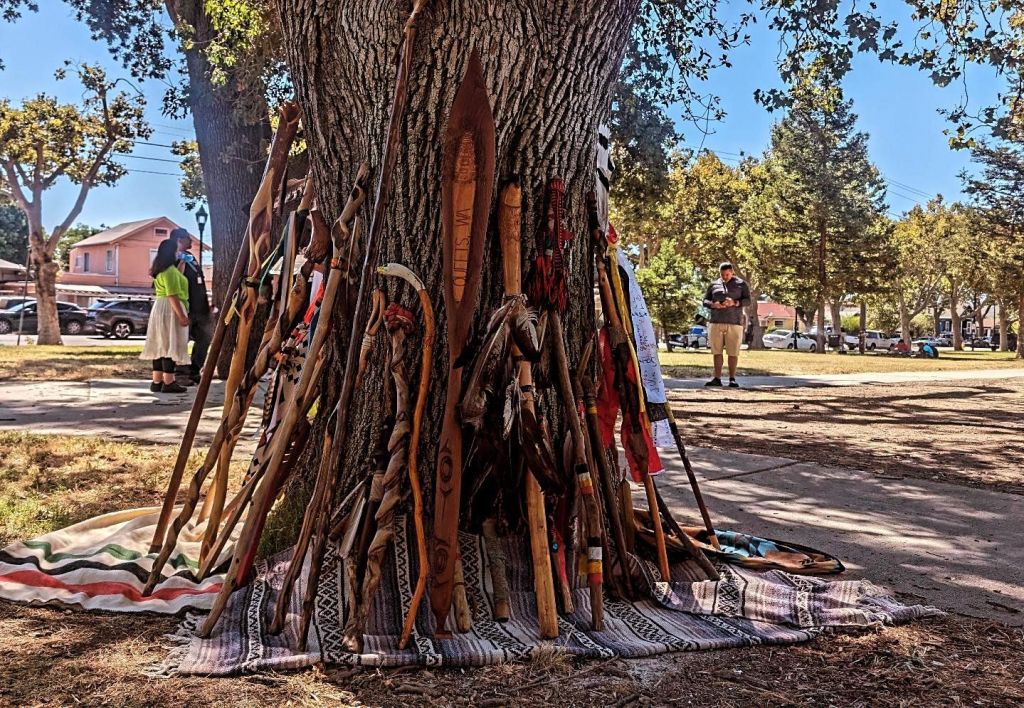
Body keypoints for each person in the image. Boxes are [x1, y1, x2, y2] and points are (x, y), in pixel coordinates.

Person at [140, 237, 190, 393]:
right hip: (170, 309)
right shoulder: (169, 272)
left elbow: (175, 281)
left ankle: (157, 381)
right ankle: (169, 382)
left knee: (160, 343)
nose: (178, 253)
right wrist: (182, 316)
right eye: (177, 251)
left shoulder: (164, 270)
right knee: (169, 343)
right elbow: (172, 295)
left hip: (160, 308)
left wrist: (182, 264)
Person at [702, 261, 751, 387]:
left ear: (732, 272)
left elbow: (748, 301)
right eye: (722, 275)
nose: (725, 277)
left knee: (733, 352)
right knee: (717, 352)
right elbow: (705, 301)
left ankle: (732, 379)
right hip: (716, 322)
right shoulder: (713, 285)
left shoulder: (741, 284)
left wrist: (735, 302)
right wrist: (713, 304)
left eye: (727, 275)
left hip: (734, 323)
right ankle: (717, 378)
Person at [173, 228, 211, 384]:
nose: (191, 241)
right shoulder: (172, 259)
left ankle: (195, 371)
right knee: (182, 341)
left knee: (204, 339)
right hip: (186, 308)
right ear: (179, 240)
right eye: (188, 238)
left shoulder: (191, 257)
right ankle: (180, 374)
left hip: (201, 308)